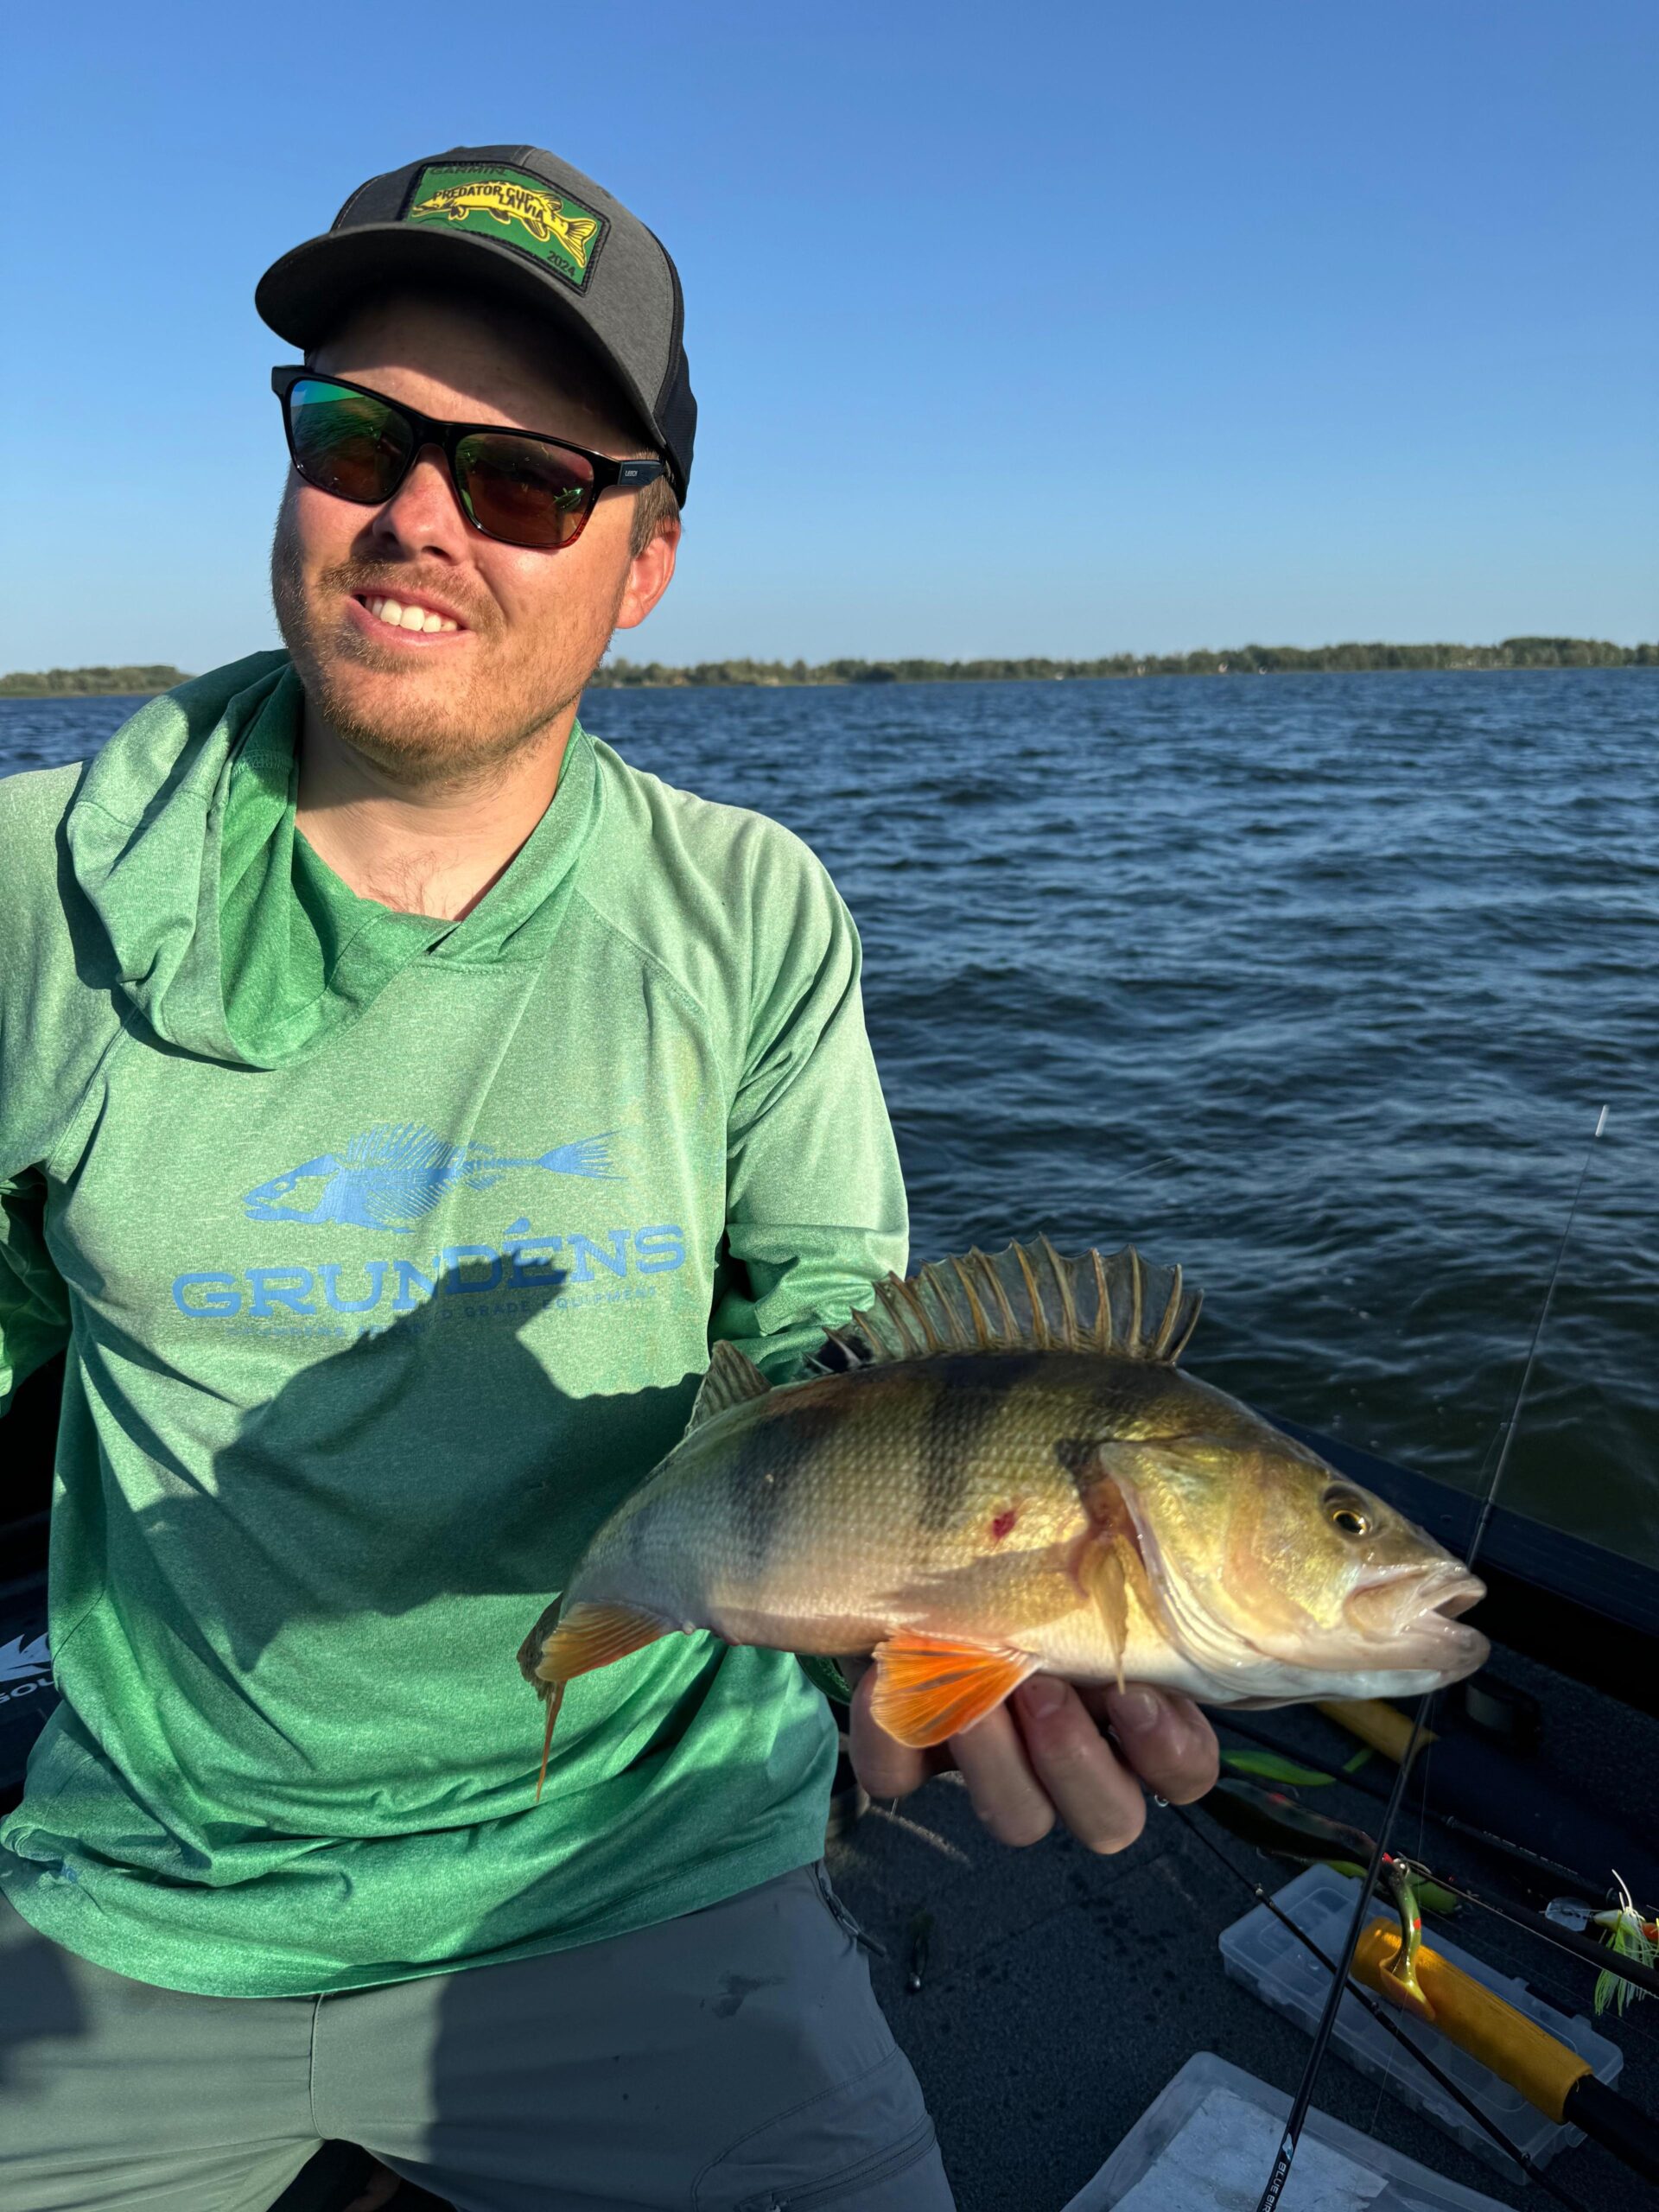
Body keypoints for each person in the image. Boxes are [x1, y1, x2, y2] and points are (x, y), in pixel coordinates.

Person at [0, 143, 1217, 2211]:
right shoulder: (29, 897)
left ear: (642, 558)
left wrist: (962, 1619)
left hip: (645, 1874)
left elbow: (847, 1352)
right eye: (358, 432)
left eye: (528, 481)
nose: (416, 518)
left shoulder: (751, 911)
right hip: (149, 1890)